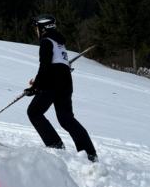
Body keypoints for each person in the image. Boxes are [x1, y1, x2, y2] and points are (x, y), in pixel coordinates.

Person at [25, 14, 98, 162]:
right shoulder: (59, 43)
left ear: (42, 28)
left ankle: (55, 145)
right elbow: (59, 65)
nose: (36, 31)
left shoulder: (46, 41)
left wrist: (35, 87)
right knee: (66, 118)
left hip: (52, 83)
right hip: (65, 83)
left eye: (36, 28)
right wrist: (38, 83)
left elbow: (45, 66)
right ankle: (89, 154)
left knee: (34, 112)